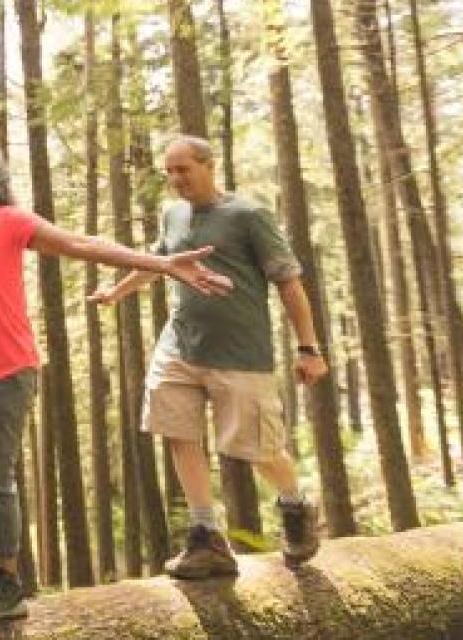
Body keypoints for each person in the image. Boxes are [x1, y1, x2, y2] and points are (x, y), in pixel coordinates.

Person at [0, 132, 231, 624]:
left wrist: (159, 263)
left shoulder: (9, 222)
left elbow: (81, 244)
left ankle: (6, 582)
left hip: (8, 370)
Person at [90, 134, 326, 579]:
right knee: (177, 429)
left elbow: (289, 281)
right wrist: (116, 292)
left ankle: (295, 507)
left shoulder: (248, 215)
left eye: (184, 169)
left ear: (208, 165)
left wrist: (308, 348)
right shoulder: (172, 214)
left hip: (239, 353)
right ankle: (206, 535)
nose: (176, 179)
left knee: (259, 449)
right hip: (180, 344)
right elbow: (159, 262)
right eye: (170, 172)